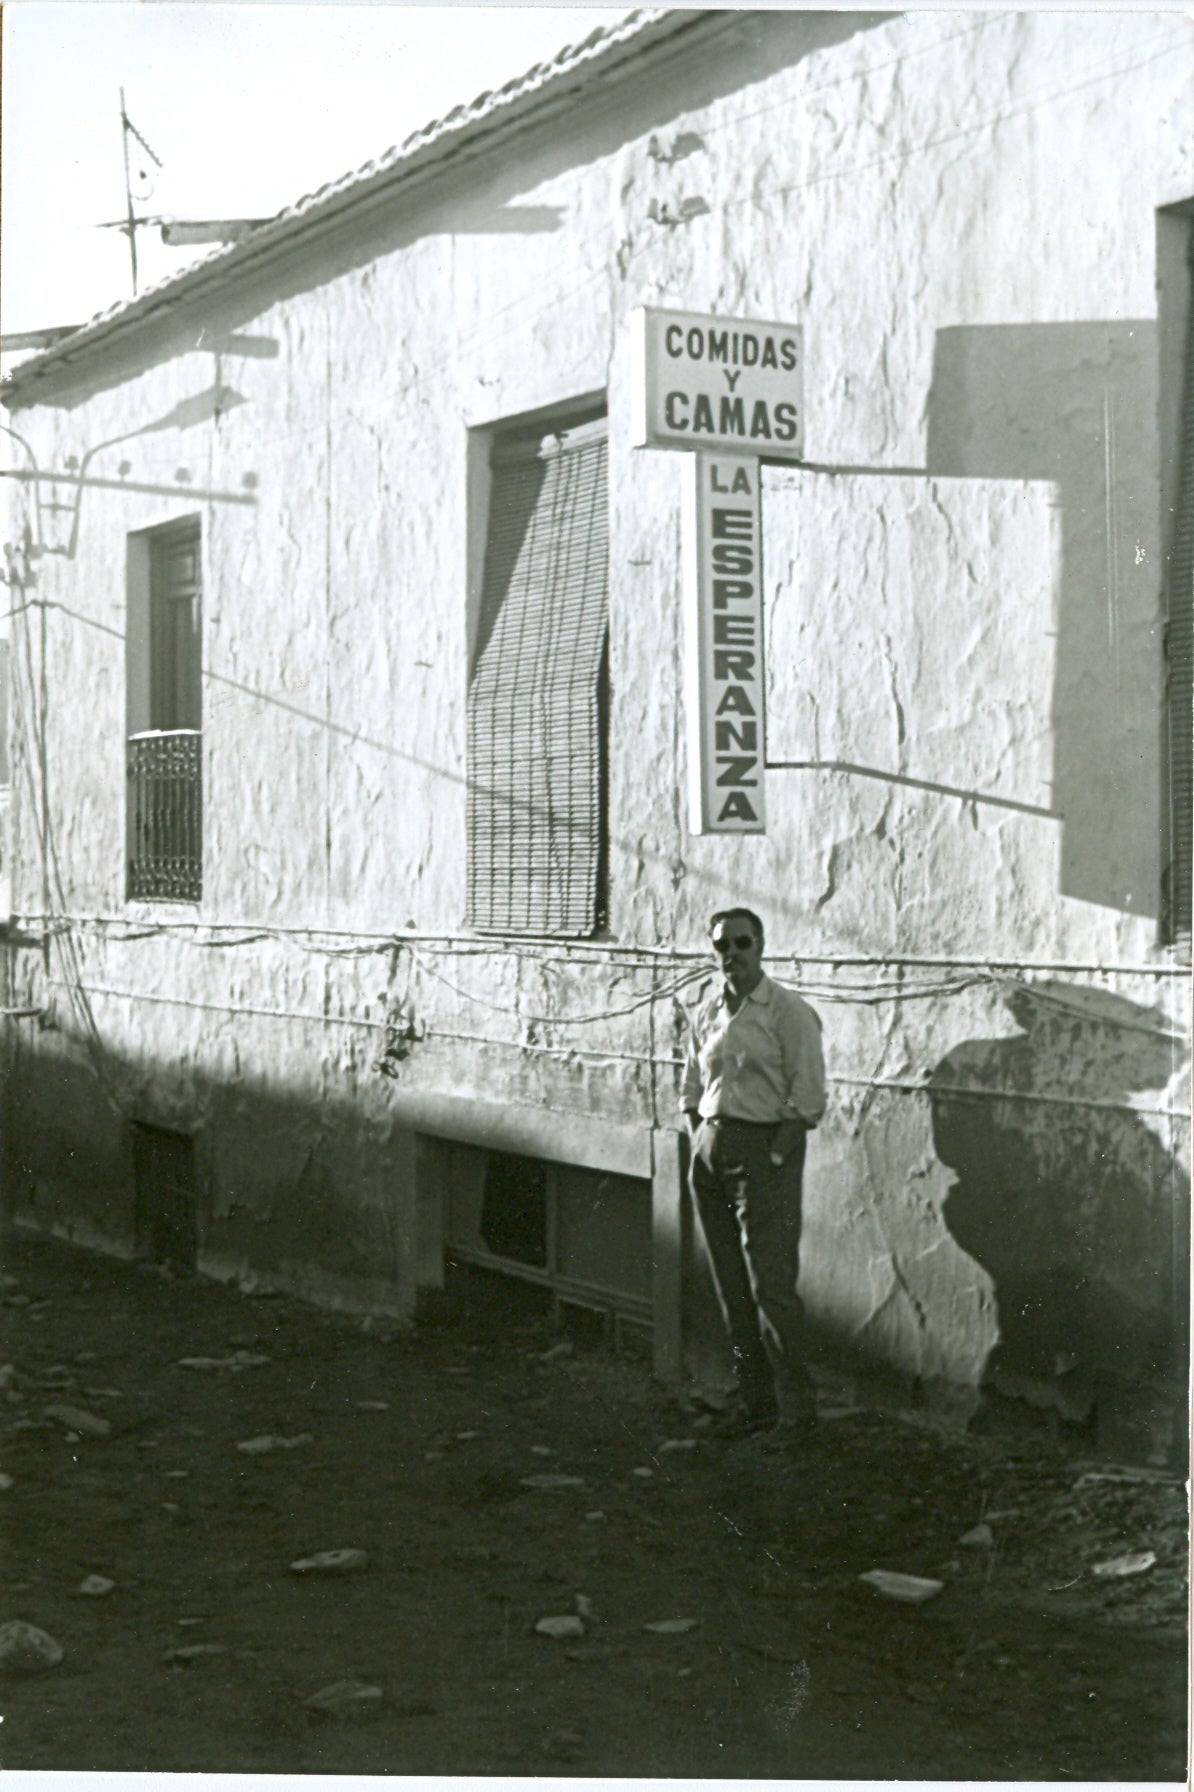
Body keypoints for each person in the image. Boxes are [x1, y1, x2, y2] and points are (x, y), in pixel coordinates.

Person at [681, 907, 826, 1437]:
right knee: (730, 1286)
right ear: (714, 952)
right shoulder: (707, 1011)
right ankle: (756, 1404)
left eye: (743, 943)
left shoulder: (788, 1012)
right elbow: (692, 1084)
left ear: (761, 946)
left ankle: (798, 1411)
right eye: (723, 946)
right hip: (712, 1151)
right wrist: (700, 1134)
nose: (733, 954)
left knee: (772, 1287)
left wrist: (774, 1156)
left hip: (764, 1152)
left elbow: (808, 1096)